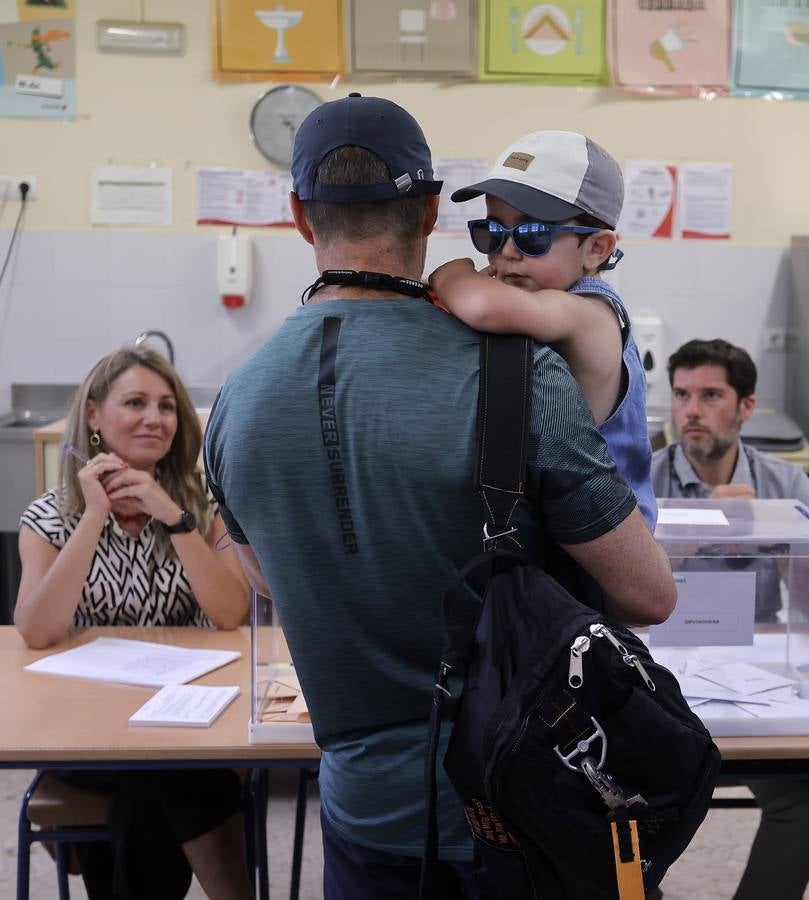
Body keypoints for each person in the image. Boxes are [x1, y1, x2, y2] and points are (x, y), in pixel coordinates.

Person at [203, 92, 677, 898]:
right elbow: (646, 595)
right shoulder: (518, 372)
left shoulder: (235, 402)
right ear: (430, 212)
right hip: (528, 806)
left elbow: (268, 581)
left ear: (298, 216)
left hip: (363, 813)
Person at [15, 345, 252, 900]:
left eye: (167, 406)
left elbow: (229, 614)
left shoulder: (206, 509)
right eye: (136, 403)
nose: (155, 418)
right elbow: (37, 631)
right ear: (94, 415)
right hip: (81, 729)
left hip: (183, 722)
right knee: (163, 778)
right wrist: (94, 514)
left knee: (152, 778)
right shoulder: (49, 515)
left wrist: (172, 515)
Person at [651, 338, 809, 900]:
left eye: (710, 396)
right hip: (658, 677)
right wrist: (700, 527)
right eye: (681, 395)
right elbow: (610, 598)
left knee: (807, 803)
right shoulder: (640, 480)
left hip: (758, 680)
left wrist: (778, 536)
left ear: (746, 407)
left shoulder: (786, 485)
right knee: (601, 800)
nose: (691, 411)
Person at [428, 129, 657, 529]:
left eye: (533, 235)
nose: (506, 252)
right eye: (492, 232)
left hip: (609, 537)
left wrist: (451, 272)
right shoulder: (547, 305)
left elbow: (481, 306)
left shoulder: (590, 314)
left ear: (597, 248)